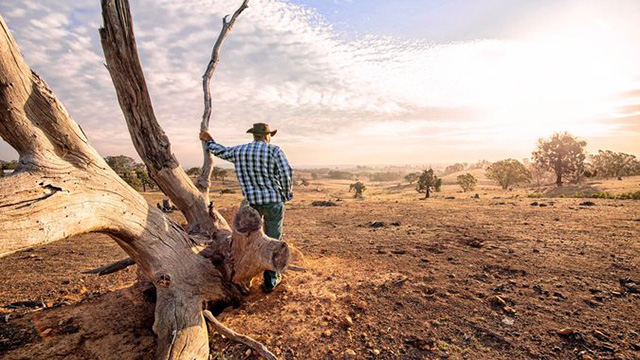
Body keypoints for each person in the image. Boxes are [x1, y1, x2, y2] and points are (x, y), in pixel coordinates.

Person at [199, 123, 293, 292]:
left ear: (254, 135)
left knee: (251, 239)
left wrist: (208, 141)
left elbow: (220, 151)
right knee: (274, 238)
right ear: (267, 136)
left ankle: (245, 274)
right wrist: (287, 193)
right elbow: (287, 173)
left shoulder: (240, 151)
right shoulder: (274, 150)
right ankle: (271, 281)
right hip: (273, 201)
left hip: (252, 204)